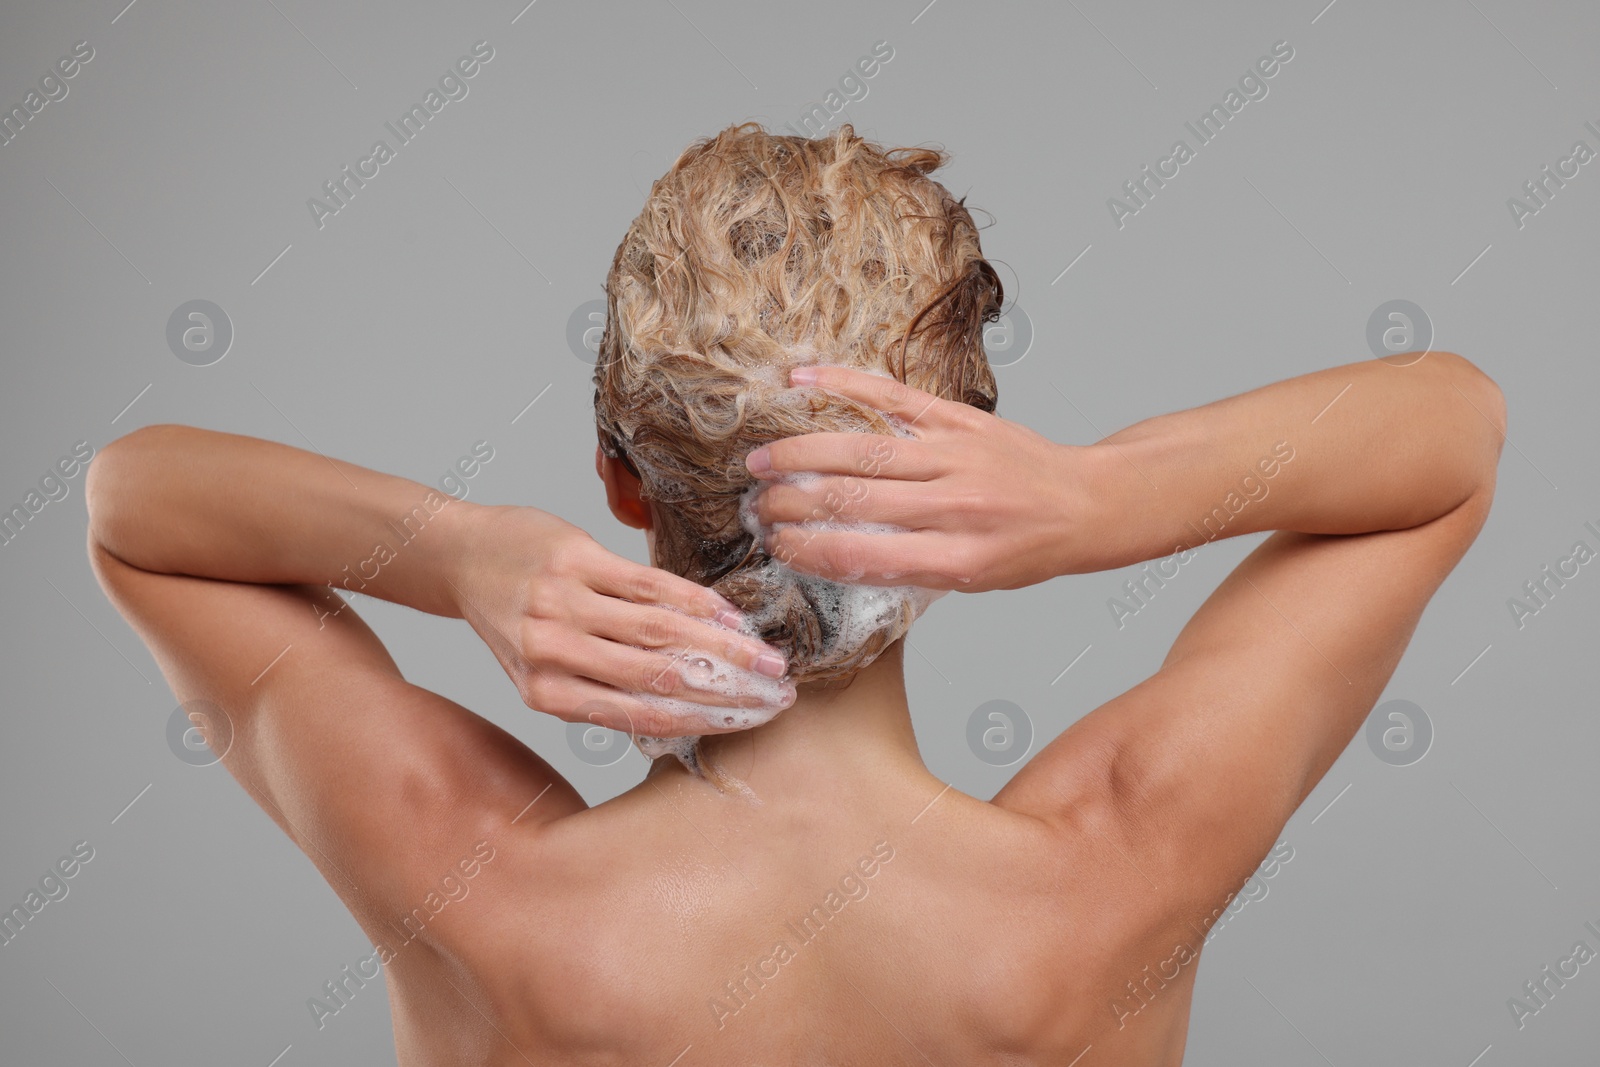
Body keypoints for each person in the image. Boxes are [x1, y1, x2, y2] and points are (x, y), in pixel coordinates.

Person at [85, 123, 1505, 1065]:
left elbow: (135, 506)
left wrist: (458, 555)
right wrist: (1094, 500)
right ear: (965, 473)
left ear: (620, 473)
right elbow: (1452, 435)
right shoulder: (1112, 875)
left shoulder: (480, 888)